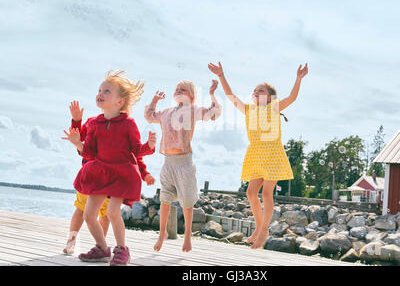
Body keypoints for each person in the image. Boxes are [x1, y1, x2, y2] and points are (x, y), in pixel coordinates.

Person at [208, 61, 308, 249]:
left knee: (267, 193)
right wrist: (221, 76)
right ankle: (260, 227)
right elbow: (231, 96)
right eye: (255, 90)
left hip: (272, 153)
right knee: (251, 192)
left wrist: (298, 79)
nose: (256, 92)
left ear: (270, 97)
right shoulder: (249, 110)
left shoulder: (275, 107)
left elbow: (292, 97)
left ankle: (263, 230)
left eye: (261, 91)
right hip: (255, 153)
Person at [62, 70, 156, 265]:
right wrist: (78, 143)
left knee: (113, 212)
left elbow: (136, 150)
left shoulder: (128, 124)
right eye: (99, 90)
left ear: (119, 102)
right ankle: (103, 248)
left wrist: (150, 146)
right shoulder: (95, 123)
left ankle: (122, 250)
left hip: (121, 174)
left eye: (107, 91)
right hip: (99, 173)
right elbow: (89, 153)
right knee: (88, 215)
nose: (100, 93)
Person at [144, 79, 221, 252]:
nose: (178, 90)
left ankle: (187, 236)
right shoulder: (166, 112)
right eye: (177, 88)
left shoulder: (192, 111)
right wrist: (155, 101)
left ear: (192, 97)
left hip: (184, 162)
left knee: (187, 202)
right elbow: (149, 116)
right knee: (165, 199)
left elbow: (213, 113)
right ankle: (162, 233)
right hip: (168, 163)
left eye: (183, 89)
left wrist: (212, 94)